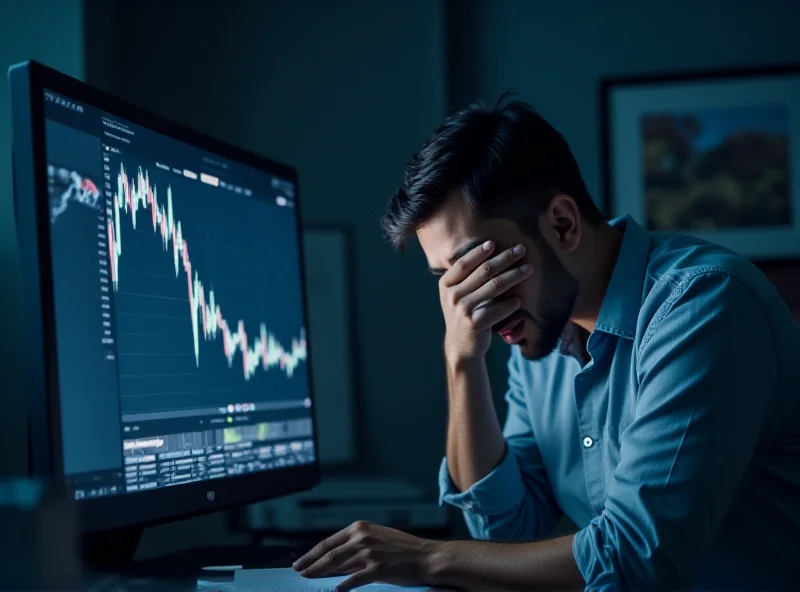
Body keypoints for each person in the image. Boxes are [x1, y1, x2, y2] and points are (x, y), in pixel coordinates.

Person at [292, 99, 800, 591]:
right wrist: (461, 360)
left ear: (562, 223)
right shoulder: (542, 332)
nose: (475, 305)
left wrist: (428, 557)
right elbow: (508, 531)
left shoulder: (702, 307)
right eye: (450, 281)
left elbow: (639, 560)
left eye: (484, 269)